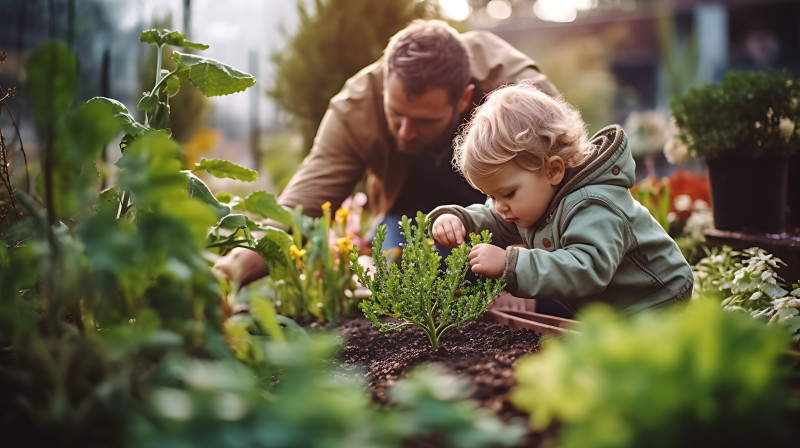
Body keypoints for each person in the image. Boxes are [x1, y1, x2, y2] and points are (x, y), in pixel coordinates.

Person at [215, 19, 558, 286]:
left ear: (465, 99)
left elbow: (565, 175)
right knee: (406, 272)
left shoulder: (517, 92)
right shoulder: (355, 107)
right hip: (410, 215)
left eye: (424, 120)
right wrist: (234, 268)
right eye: (396, 114)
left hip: (507, 213)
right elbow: (300, 206)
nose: (405, 132)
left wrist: (522, 260)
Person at [429, 81, 693, 316]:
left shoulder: (594, 203)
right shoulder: (534, 198)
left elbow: (585, 269)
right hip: (615, 308)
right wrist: (459, 219)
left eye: (507, 193)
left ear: (553, 170)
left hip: (656, 301)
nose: (499, 205)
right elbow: (494, 218)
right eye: (491, 195)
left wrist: (510, 264)